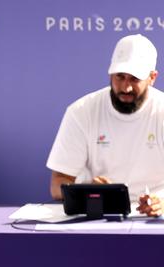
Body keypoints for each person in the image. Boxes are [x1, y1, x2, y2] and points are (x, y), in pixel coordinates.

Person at [47, 34, 164, 217]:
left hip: (156, 217)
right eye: (120, 77)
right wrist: (87, 191)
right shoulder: (82, 111)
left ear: (152, 77)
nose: (125, 88)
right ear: (110, 73)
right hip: (97, 215)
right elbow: (57, 185)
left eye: (134, 79)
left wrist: (162, 203)